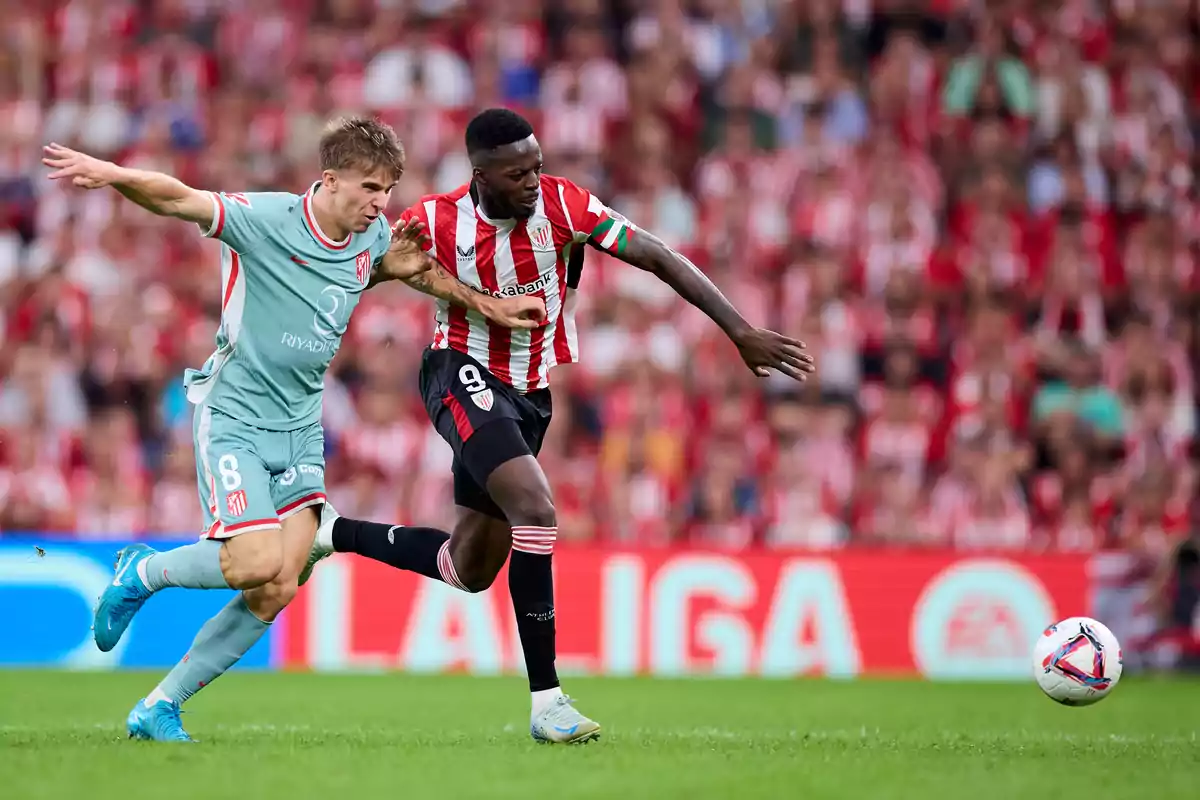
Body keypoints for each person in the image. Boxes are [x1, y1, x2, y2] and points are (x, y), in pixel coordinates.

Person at [308, 108, 816, 743]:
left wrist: (739, 329)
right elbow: (363, 269)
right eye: (518, 173)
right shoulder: (436, 219)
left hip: (530, 395)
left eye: (538, 166)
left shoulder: (565, 206)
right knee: (537, 510)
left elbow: (656, 255)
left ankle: (331, 532)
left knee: (468, 568)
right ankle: (547, 701)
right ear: (481, 174)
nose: (533, 181)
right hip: (458, 370)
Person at [43, 116, 543, 742]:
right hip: (236, 417)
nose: (379, 204)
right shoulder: (265, 220)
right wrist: (113, 174)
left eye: (387, 190)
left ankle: (158, 706)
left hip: (301, 429)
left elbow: (409, 269)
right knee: (253, 559)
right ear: (329, 180)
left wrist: (489, 305)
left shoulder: (370, 237)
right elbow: (177, 196)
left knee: (282, 580)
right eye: (367, 189)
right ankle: (142, 573)